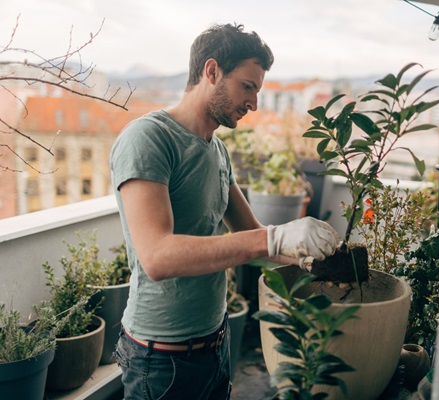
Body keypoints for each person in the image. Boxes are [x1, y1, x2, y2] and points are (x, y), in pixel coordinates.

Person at [109, 23, 339, 400]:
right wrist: (275, 236)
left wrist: (310, 256)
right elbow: (157, 256)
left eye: (258, 91)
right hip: (161, 361)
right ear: (211, 71)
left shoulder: (216, 151)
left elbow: (252, 232)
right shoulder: (148, 138)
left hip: (215, 346)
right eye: (247, 86)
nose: (254, 103)